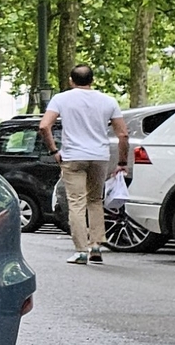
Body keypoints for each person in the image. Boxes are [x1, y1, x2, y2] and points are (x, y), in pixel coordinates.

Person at [40, 62, 130, 265]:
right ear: (93, 80)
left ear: (71, 81)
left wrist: (54, 150)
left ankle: (81, 250)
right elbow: (123, 134)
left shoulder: (61, 99)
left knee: (76, 203)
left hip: (72, 156)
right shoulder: (108, 101)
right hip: (99, 156)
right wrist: (122, 161)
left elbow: (44, 126)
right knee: (95, 201)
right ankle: (96, 246)